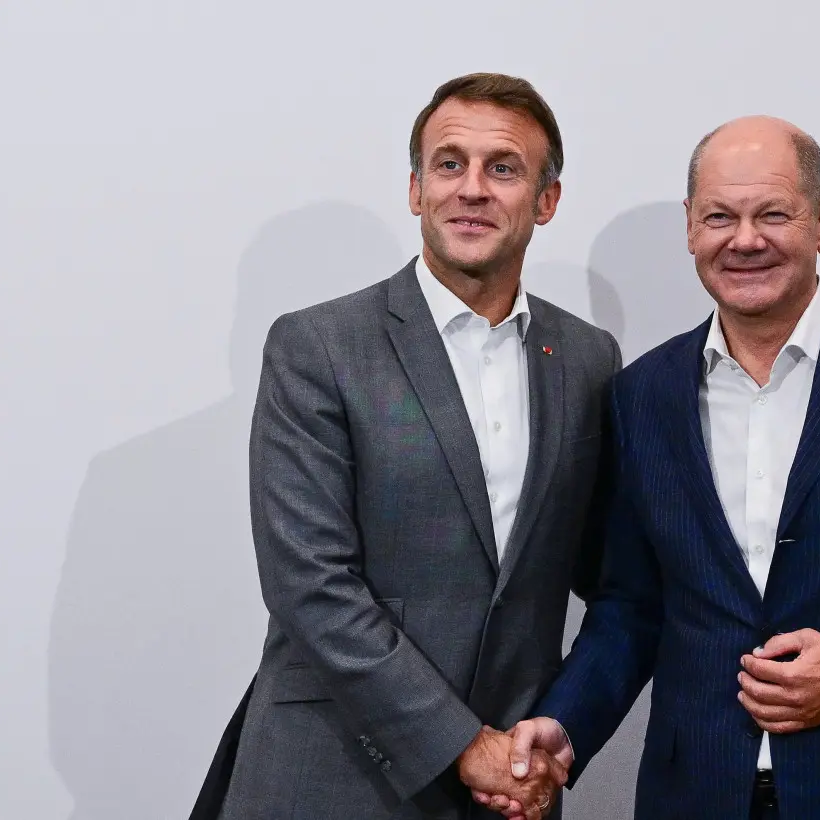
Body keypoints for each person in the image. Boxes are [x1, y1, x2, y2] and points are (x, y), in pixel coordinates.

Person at [478, 116, 820, 819]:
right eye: (719, 217)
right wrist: (566, 724)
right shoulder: (641, 396)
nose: (745, 240)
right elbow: (632, 605)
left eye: (773, 214)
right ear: (690, 228)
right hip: (693, 795)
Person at [189, 72, 620, 820]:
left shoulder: (588, 359)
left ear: (547, 201)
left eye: (504, 168)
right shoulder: (317, 346)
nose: (473, 189)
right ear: (417, 189)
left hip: (510, 793)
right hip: (330, 778)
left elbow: (609, 576)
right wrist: (464, 745)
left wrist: (553, 735)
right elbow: (311, 586)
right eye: (449, 164)